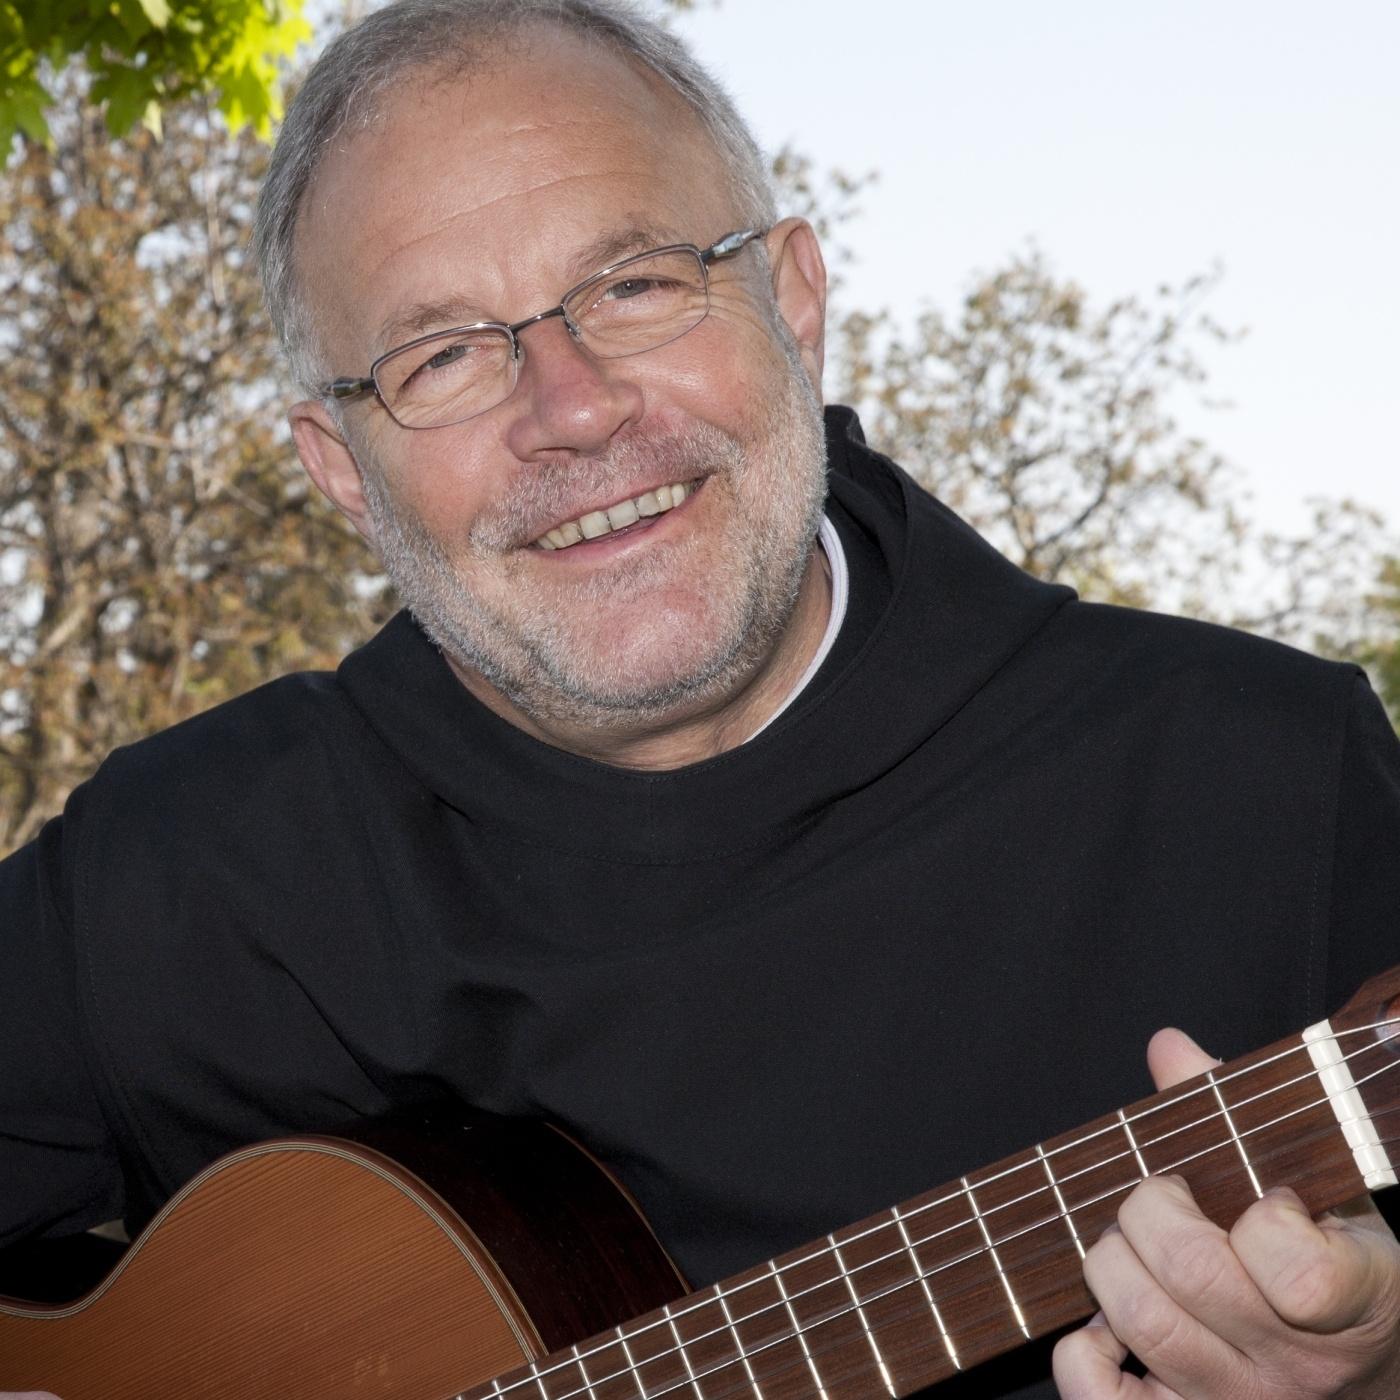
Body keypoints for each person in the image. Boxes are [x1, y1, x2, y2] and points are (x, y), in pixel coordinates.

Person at [3, 2, 1400, 1397]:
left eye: (636, 286)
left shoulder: (1265, 784)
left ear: (794, 298)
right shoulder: (176, 879)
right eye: (441, 359)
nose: (573, 405)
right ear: (339, 468)